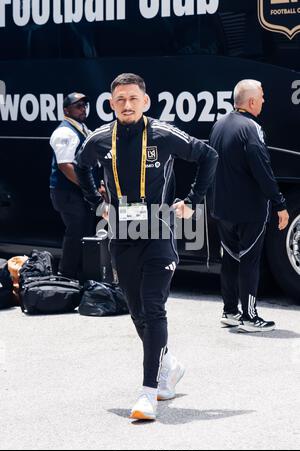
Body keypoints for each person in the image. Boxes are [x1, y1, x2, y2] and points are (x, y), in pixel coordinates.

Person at [75, 73, 218, 421]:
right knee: (137, 312)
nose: (127, 105)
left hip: (158, 230)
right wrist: (98, 201)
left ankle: (147, 393)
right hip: (121, 236)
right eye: (120, 99)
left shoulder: (162, 134)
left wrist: (191, 200)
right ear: (111, 104)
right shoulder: (98, 139)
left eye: (133, 98)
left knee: (153, 308)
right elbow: (81, 167)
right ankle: (169, 363)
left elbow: (208, 155)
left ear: (145, 101)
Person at [209, 79, 289, 333]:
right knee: (249, 261)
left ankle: (229, 311)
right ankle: (250, 317)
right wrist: (280, 203)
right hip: (249, 209)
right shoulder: (252, 128)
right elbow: (262, 167)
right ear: (252, 101)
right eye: (262, 96)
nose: (264, 101)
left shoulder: (219, 125)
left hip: (222, 208)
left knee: (231, 259)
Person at [49, 92, 100, 280]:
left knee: (84, 232)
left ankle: (79, 276)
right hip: (67, 193)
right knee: (75, 233)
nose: (82, 109)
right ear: (66, 110)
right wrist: (90, 188)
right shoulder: (64, 132)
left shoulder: (82, 128)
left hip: (78, 193)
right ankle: (66, 276)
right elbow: (65, 166)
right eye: (77, 106)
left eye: (84, 106)